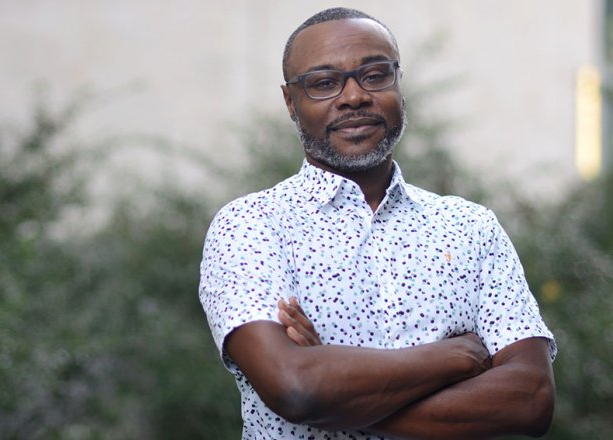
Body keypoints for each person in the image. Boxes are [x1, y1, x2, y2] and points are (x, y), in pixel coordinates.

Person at [199, 7, 556, 439]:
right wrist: (455, 358)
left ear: (398, 86)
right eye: (324, 83)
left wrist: (335, 388)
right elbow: (294, 389)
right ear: (291, 102)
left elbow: (531, 400)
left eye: (374, 75)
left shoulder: (471, 227)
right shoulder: (251, 226)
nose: (353, 97)